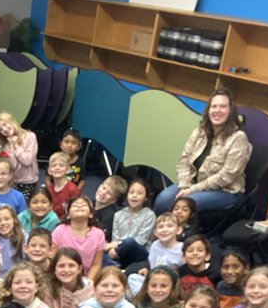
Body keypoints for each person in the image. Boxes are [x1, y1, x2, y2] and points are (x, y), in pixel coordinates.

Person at [154, 87, 251, 215]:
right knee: (163, 200)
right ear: (208, 110)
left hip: (226, 191)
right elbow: (184, 161)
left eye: (222, 106)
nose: (217, 110)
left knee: (185, 205)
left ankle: (181, 234)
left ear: (230, 111)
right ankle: (165, 232)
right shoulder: (200, 131)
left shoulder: (238, 138)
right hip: (193, 185)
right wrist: (184, 185)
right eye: (214, 106)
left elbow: (225, 177)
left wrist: (193, 190)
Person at [104, 178, 155, 268]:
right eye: (131, 192)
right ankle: (115, 265)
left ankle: (114, 264)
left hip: (138, 252)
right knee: (101, 254)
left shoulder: (149, 215)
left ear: (146, 197)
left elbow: (141, 241)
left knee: (130, 242)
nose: (134, 196)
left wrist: (116, 248)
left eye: (139, 193)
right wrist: (113, 248)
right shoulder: (118, 214)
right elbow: (115, 239)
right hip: (118, 251)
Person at [0, 111, 40, 200]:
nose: (4, 129)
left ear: (11, 121)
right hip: (13, 181)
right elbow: (12, 166)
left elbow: (27, 161)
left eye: (5, 124)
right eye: (1, 129)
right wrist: (11, 148)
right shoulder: (5, 144)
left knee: (23, 208)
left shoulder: (30, 136)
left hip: (29, 181)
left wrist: (16, 146)